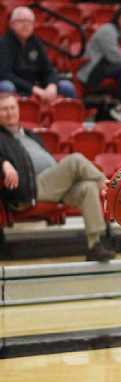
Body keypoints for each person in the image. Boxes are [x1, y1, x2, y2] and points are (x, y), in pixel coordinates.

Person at [0, 93, 114, 261]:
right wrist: (3, 163)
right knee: (75, 160)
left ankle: (94, 245)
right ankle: (110, 187)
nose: (10, 112)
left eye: (12, 108)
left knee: (88, 188)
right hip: (30, 189)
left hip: (52, 186)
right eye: (4, 109)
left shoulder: (30, 134)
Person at [0, 7, 76, 100]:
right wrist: (33, 89)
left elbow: (49, 69)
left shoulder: (36, 42)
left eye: (29, 22)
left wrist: (52, 85)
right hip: (17, 86)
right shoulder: (4, 43)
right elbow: (5, 74)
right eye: (21, 21)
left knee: (66, 86)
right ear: (12, 24)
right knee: (7, 86)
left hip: (36, 85)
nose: (26, 25)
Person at [77, 4, 121, 106]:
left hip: (108, 68)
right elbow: (114, 57)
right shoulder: (108, 30)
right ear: (118, 17)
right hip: (93, 70)